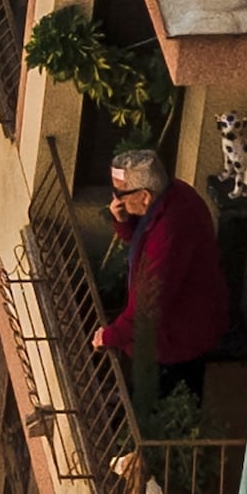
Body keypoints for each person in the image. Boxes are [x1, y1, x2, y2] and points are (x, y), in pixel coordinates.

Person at [93, 147, 230, 428]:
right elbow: (143, 244)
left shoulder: (170, 231)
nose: (114, 201)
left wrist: (108, 337)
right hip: (183, 327)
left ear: (144, 196)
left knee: (171, 408)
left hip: (180, 338)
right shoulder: (174, 194)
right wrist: (122, 222)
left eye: (120, 194)